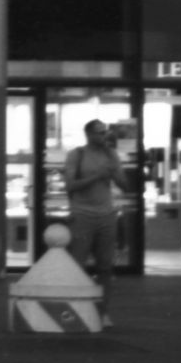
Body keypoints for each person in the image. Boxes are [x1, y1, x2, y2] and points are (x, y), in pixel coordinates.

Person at [63, 120, 126, 291]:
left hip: (107, 215)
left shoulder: (111, 155)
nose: (104, 136)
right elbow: (70, 185)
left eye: (105, 132)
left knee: (106, 265)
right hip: (82, 215)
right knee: (78, 262)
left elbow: (124, 185)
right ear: (89, 134)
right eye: (100, 132)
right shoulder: (76, 155)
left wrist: (115, 173)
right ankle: (77, 301)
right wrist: (97, 176)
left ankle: (102, 304)